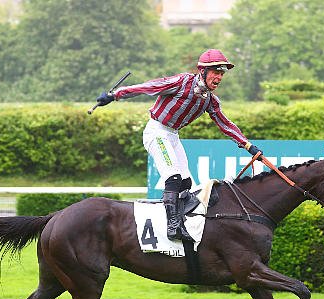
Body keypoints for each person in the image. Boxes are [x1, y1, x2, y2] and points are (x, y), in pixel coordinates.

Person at [95, 49, 262, 242]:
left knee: (186, 183)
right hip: (156, 131)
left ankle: (180, 222)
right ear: (203, 71)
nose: (219, 77)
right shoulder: (182, 82)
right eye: (216, 72)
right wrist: (115, 95)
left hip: (172, 136)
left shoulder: (210, 100)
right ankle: (172, 227)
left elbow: (225, 124)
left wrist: (249, 146)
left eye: (222, 73)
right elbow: (149, 87)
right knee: (173, 178)